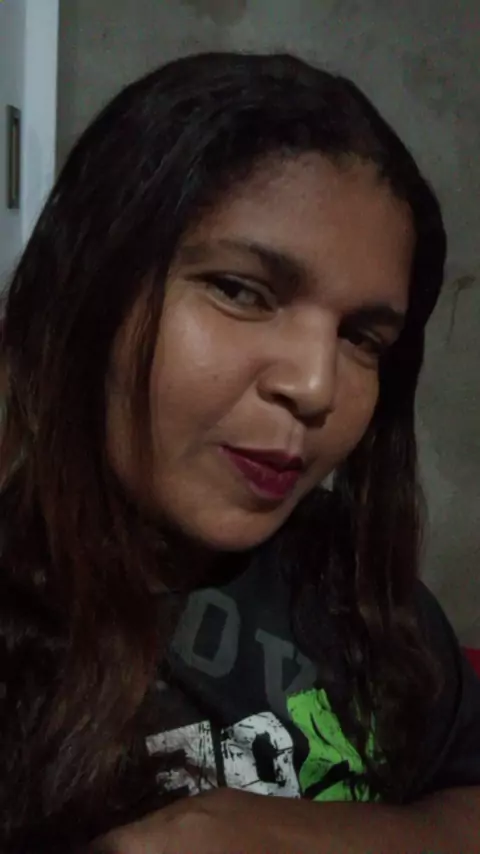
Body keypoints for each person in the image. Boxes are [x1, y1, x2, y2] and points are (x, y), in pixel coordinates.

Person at [0, 51, 479, 854]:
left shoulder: (345, 581)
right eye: (240, 290)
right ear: (90, 280)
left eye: (362, 338)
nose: (317, 386)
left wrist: (299, 835)